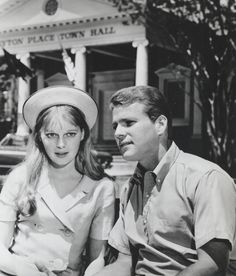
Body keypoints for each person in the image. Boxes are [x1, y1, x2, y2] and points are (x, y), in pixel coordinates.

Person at [95, 85, 236, 276]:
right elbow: (124, 263)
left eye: (128, 123)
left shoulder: (206, 178)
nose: (118, 133)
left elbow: (212, 265)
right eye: (115, 126)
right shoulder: (131, 187)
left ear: (160, 124)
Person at [0, 86, 115, 276]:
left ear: (83, 134)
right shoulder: (21, 178)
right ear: (39, 137)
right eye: (51, 135)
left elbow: (97, 258)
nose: (61, 145)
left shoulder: (102, 188)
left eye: (70, 134)